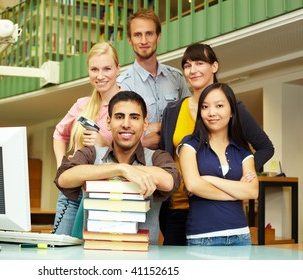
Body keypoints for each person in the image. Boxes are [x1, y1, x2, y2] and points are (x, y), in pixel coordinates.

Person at [159, 43, 274, 245]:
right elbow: (166, 154)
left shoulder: (232, 109)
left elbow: (265, 147)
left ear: (214, 66)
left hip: (219, 206)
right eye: (187, 65)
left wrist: (242, 174)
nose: (192, 70)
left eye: (199, 63)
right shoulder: (173, 110)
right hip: (177, 207)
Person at [54, 91, 181, 244]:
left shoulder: (156, 157)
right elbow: (64, 178)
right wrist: (121, 169)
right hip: (95, 257)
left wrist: (122, 169)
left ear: (145, 123)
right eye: (119, 117)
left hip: (142, 261)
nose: (126, 124)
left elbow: (169, 181)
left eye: (134, 117)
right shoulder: (91, 153)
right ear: (108, 122)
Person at [52, 42, 121, 235]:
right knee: (61, 250)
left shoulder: (128, 103)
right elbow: (59, 134)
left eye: (107, 68)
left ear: (118, 69)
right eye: (94, 69)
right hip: (72, 194)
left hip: (106, 194)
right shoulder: (83, 105)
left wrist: (104, 143)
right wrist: (61, 167)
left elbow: (135, 150)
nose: (100, 76)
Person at [178, 83, 259, 246]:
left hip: (240, 236)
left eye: (219, 106)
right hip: (202, 237)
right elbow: (193, 185)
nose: (211, 113)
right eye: (205, 107)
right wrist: (237, 191)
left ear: (231, 112)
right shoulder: (189, 144)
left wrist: (209, 179)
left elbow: (252, 191)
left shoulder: (242, 149)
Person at [117, 9, 191, 149]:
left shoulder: (176, 77)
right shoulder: (122, 84)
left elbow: (189, 117)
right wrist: (142, 141)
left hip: (177, 161)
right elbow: (119, 133)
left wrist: (158, 127)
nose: (143, 41)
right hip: (140, 165)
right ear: (129, 40)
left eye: (149, 34)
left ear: (158, 37)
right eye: (138, 35)